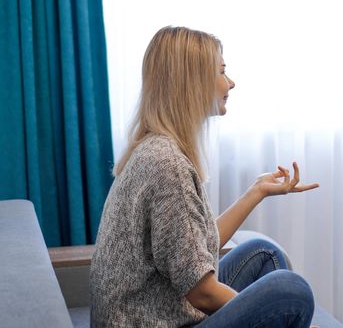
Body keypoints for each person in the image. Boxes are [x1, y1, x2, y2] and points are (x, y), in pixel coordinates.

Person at [90, 26, 320, 328]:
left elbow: (191, 251)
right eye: (222, 72)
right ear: (193, 83)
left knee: (264, 253)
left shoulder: (155, 147)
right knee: (292, 293)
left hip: (159, 310)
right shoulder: (167, 164)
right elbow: (202, 294)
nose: (231, 82)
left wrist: (256, 191)